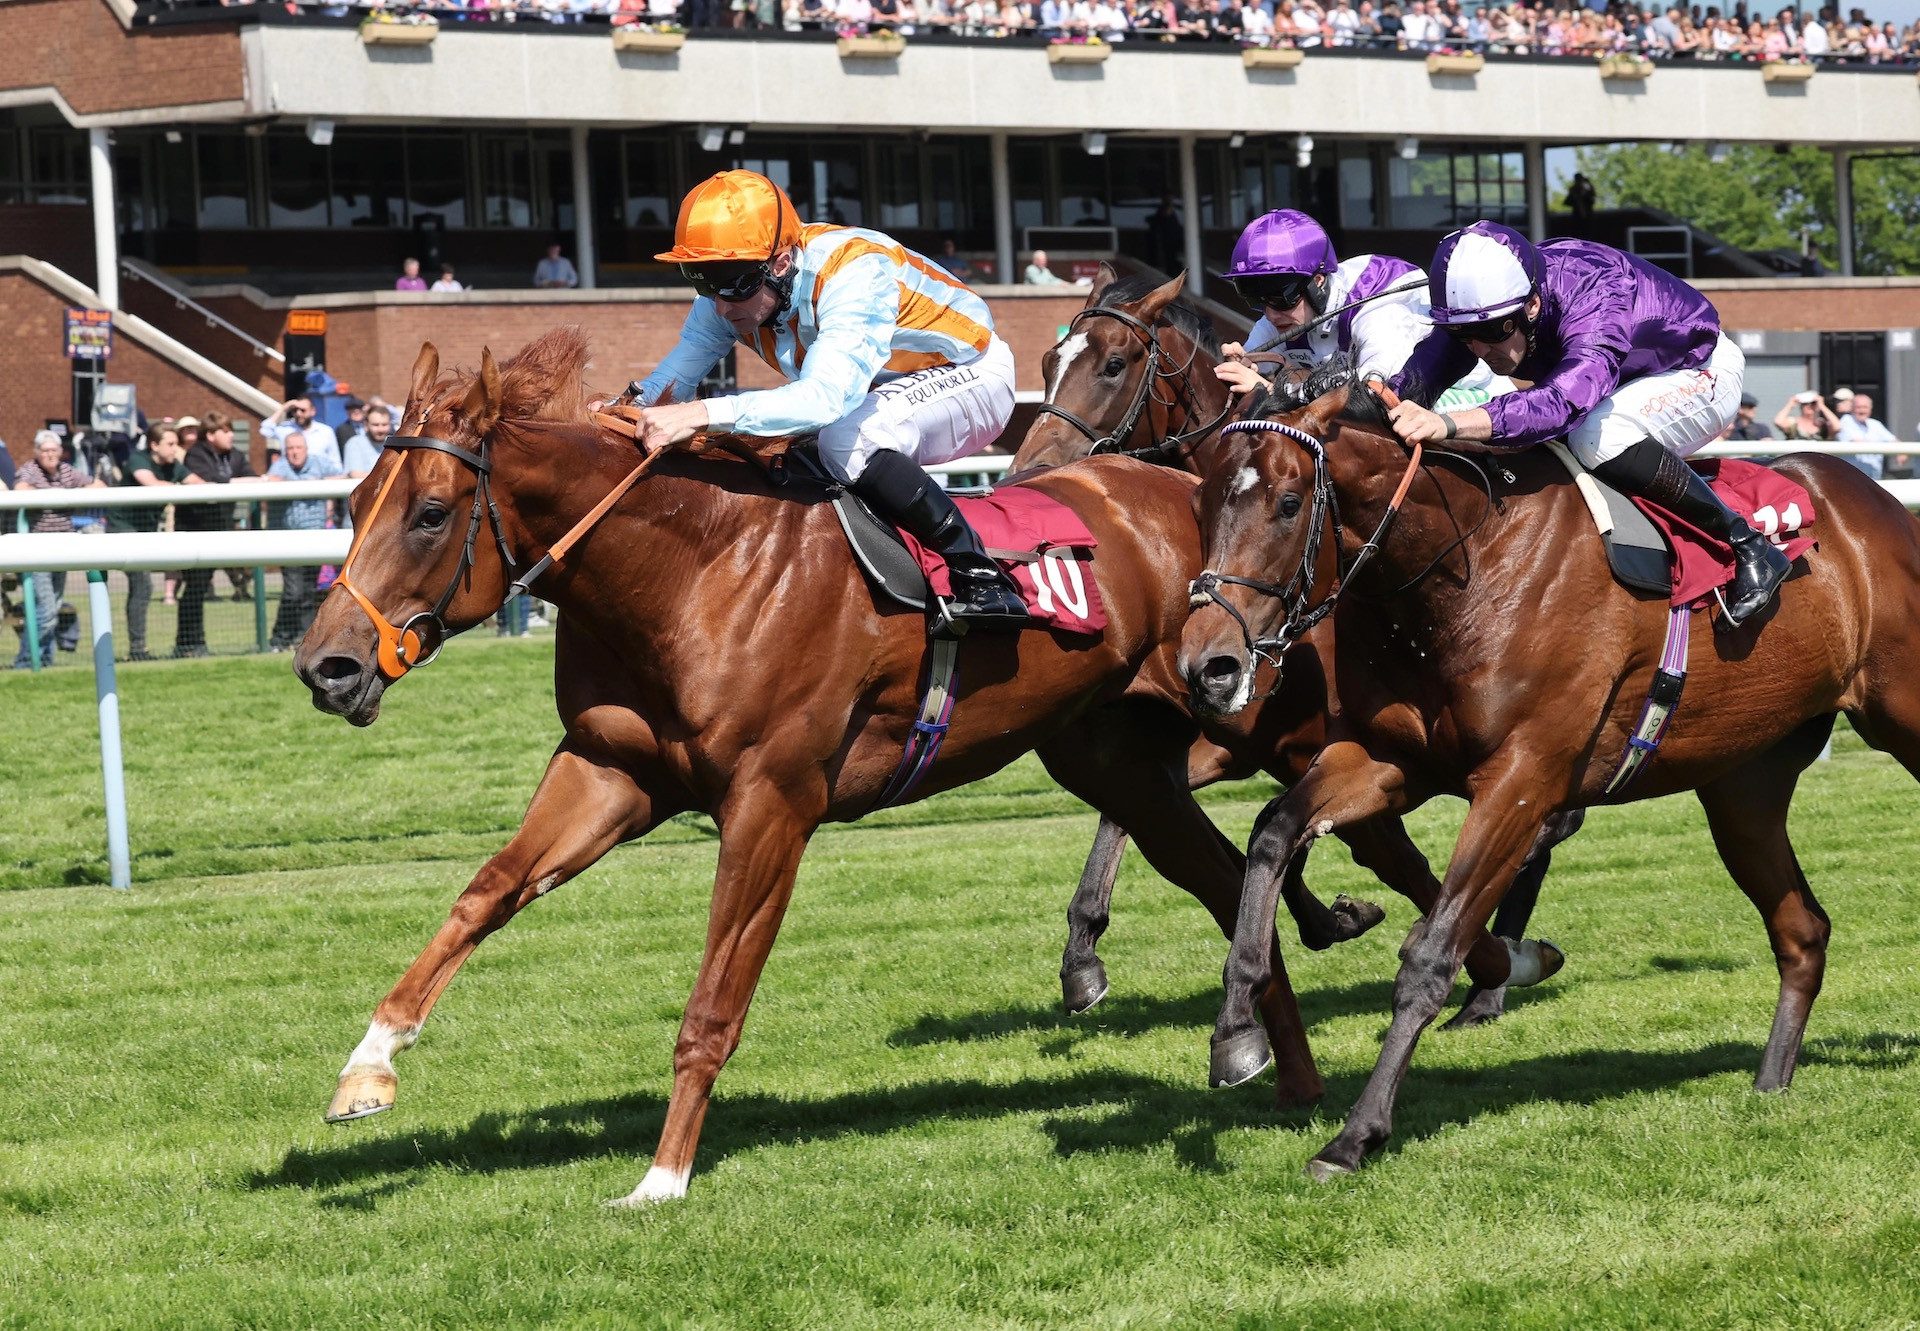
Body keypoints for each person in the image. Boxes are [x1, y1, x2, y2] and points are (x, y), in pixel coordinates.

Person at [635, 169, 1027, 626]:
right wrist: (615, 411)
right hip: (875, 392)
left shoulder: (856, 271)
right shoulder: (729, 294)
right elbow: (667, 384)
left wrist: (701, 413)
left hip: (971, 374)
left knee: (842, 436)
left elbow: (824, 400)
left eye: (735, 283)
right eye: (703, 280)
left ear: (780, 263)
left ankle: (981, 575)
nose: (721, 305)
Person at [1385, 221, 1789, 627]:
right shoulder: (1495, 302)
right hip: (1623, 383)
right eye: (1462, 334)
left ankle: (1747, 544)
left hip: (1699, 369)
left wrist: (1449, 423)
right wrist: (1383, 399)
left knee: (1594, 434)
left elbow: (1564, 402)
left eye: (1491, 332)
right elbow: (1430, 367)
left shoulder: (1596, 293)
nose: (1479, 348)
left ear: (1532, 305)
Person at [1214, 209, 1508, 409]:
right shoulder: (1283, 315)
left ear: (1318, 282)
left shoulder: (1376, 305)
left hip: (1465, 396)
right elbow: (1250, 375)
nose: (1270, 314)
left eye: (1280, 299)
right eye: (1257, 300)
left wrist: (1271, 390)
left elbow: (1372, 394)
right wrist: (1244, 368)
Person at [11, 430, 103, 667]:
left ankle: (44, 660)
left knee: (54, 605)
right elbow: (20, 488)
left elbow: (98, 485)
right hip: (38, 551)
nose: (50, 455)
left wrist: (73, 493)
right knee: (47, 609)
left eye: (54, 450)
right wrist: (51, 494)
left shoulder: (66, 471)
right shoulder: (30, 470)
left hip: (63, 548)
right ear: (37, 452)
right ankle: (26, 660)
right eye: (45, 450)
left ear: (61, 452)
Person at [175, 411, 256, 657]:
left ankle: (193, 644)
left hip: (222, 531)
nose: (231, 435)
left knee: (224, 581)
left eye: (231, 430)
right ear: (210, 435)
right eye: (225, 430)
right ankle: (188, 644)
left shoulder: (235, 455)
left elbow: (253, 477)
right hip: (195, 532)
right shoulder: (196, 454)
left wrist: (232, 482)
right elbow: (212, 482)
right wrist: (233, 482)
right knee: (195, 589)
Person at [110, 425, 188, 662]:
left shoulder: (174, 466)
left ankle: (137, 648)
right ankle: (137, 649)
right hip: (123, 529)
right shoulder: (138, 459)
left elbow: (196, 481)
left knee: (142, 588)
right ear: (155, 445)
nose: (176, 449)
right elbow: (149, 483)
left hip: (144, 533)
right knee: (143, 586)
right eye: (171, 444)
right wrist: (179, 487)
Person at [262, 431, 344, 651]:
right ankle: (279, 638)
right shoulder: (281, 466)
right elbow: (271, 480)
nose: (294, 453)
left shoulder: (319, 463)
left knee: (308, 592)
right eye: (290, 449)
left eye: (298, 448)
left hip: (314, 540)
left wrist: (319, 482)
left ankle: (305, 639)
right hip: (288, 541)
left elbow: (342, 476)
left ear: (306, 449)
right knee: (293, 591)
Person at [261, 397, 342, 472]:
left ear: (313, 411)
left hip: (319, 478)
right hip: (291, 477)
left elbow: (335, 459)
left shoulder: (325, 431)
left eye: (303, 410)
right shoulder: (286, 428)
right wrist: (283, 408)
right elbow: (265, 430)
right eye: (295, 410)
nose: (298, 413)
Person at [1834, 388, 1895, 478]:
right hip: (1852, 479)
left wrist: (1901, 453)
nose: (1862, 411)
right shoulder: (1846, 421)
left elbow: (1893, 440)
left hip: (1875, 478)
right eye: (1859, 407)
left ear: (1871, 409)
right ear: (1852, 408)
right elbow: (1856, 442)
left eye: (1865, 407)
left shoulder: (1876, 424)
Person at [343, 404, 393, 477]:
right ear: (366, 425)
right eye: (375, 425)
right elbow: (355, 474)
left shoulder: (394, 445)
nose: (380, 429)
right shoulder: (355, 443)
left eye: (384, 424)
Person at [1772, 389, 1839, 443]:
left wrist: (1822, 406)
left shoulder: (1822, 426)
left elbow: (1837, 427)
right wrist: (1790, 404)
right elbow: (1778, 422)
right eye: (1805, 403)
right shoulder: (1793, 424)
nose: (1809, 406)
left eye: (1813, 403)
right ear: (1801, 405)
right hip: (1796, 458)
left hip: (1816, 459)